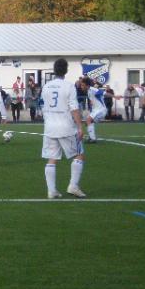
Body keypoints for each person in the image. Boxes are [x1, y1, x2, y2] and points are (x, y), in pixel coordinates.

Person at [41, 58, 86, 198]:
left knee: (52, 158)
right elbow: (74, 107)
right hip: (66, 127)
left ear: (54, 70)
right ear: (66, 70)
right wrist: (79, 126)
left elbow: (42, 106)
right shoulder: (69, 86)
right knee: (79, 154)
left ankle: (51, 190)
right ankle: (73, 186)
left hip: (50, 127)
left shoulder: (46, 86)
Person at [80, 78, 120, 143]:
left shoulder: (93, 90)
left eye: (82, 85)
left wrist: (114, 96)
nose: (81, 87)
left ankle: (92, 139)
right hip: (96, 110)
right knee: (88, 122)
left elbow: (105, 93)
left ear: (87, 86)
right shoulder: (88, 91)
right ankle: (91, 137)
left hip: (101, 110)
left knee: (88, 120)